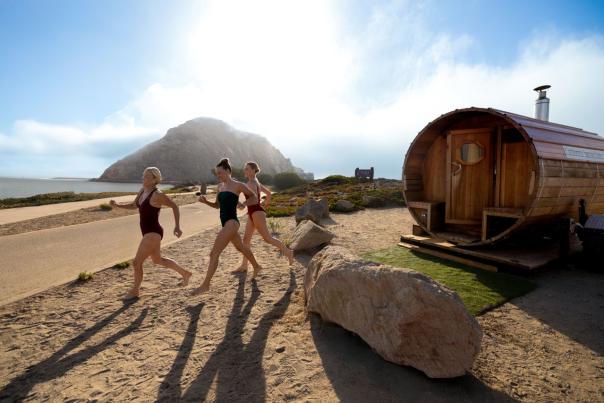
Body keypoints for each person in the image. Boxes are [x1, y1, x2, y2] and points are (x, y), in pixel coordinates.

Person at [110, 167, 192, 300]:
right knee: (158, 260)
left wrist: (177, 226)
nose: (144, 178)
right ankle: (185, 273)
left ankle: (135, 291)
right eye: (144, 176)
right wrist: (118, 205)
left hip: (153, 232)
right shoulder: (143, 191)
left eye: (147, 176)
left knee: (137, 263)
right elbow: (134, 205)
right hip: (148, 232)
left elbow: (175, 206)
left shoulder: (157, 194)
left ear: (155, 179)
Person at [191, 158, 263, 295]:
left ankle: (205, 285)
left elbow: (254, 198)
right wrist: (206, 202)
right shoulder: (220, 187)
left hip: (232, 222)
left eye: (221, 173)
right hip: (225, 222)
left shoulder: (238, 185)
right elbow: (217, 205)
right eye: (217, 173)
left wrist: (244, 204)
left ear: (228, 171)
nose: (219, 175)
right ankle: (257, 266)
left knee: (214, 253)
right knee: (240, 247)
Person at [233, 161, 294, 273]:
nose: (244, 171)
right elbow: (269, 194)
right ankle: (244, 266)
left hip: (256, 213)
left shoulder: (251, 183)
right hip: (253, 212)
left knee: (267, 238)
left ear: (253, 170)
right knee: (246, 239)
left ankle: (288, 252)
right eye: (245, 169)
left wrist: (243, 204)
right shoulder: (255, 182)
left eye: (247, 169)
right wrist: (266, 204)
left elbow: (255, 199)